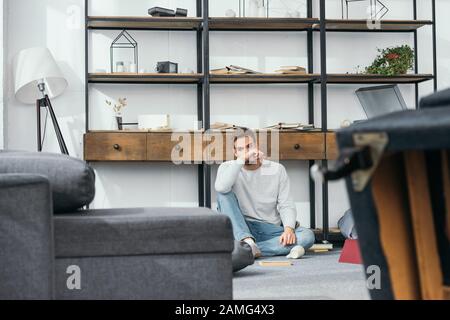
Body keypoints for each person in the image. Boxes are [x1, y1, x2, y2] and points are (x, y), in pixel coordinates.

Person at [215, 128, 315, 259]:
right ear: (235, 152)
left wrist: (289, 229)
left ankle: (248, 249)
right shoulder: (228, 167)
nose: (246, 151)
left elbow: (286, 204)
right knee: (223, 193)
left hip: (269, 228)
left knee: (307, 236)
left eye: (249, 146)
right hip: (241, 226)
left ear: (257, 147)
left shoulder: (277, 169)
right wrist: (241, 160)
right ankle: (247, 242)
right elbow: (221, 188)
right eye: (240, 149)